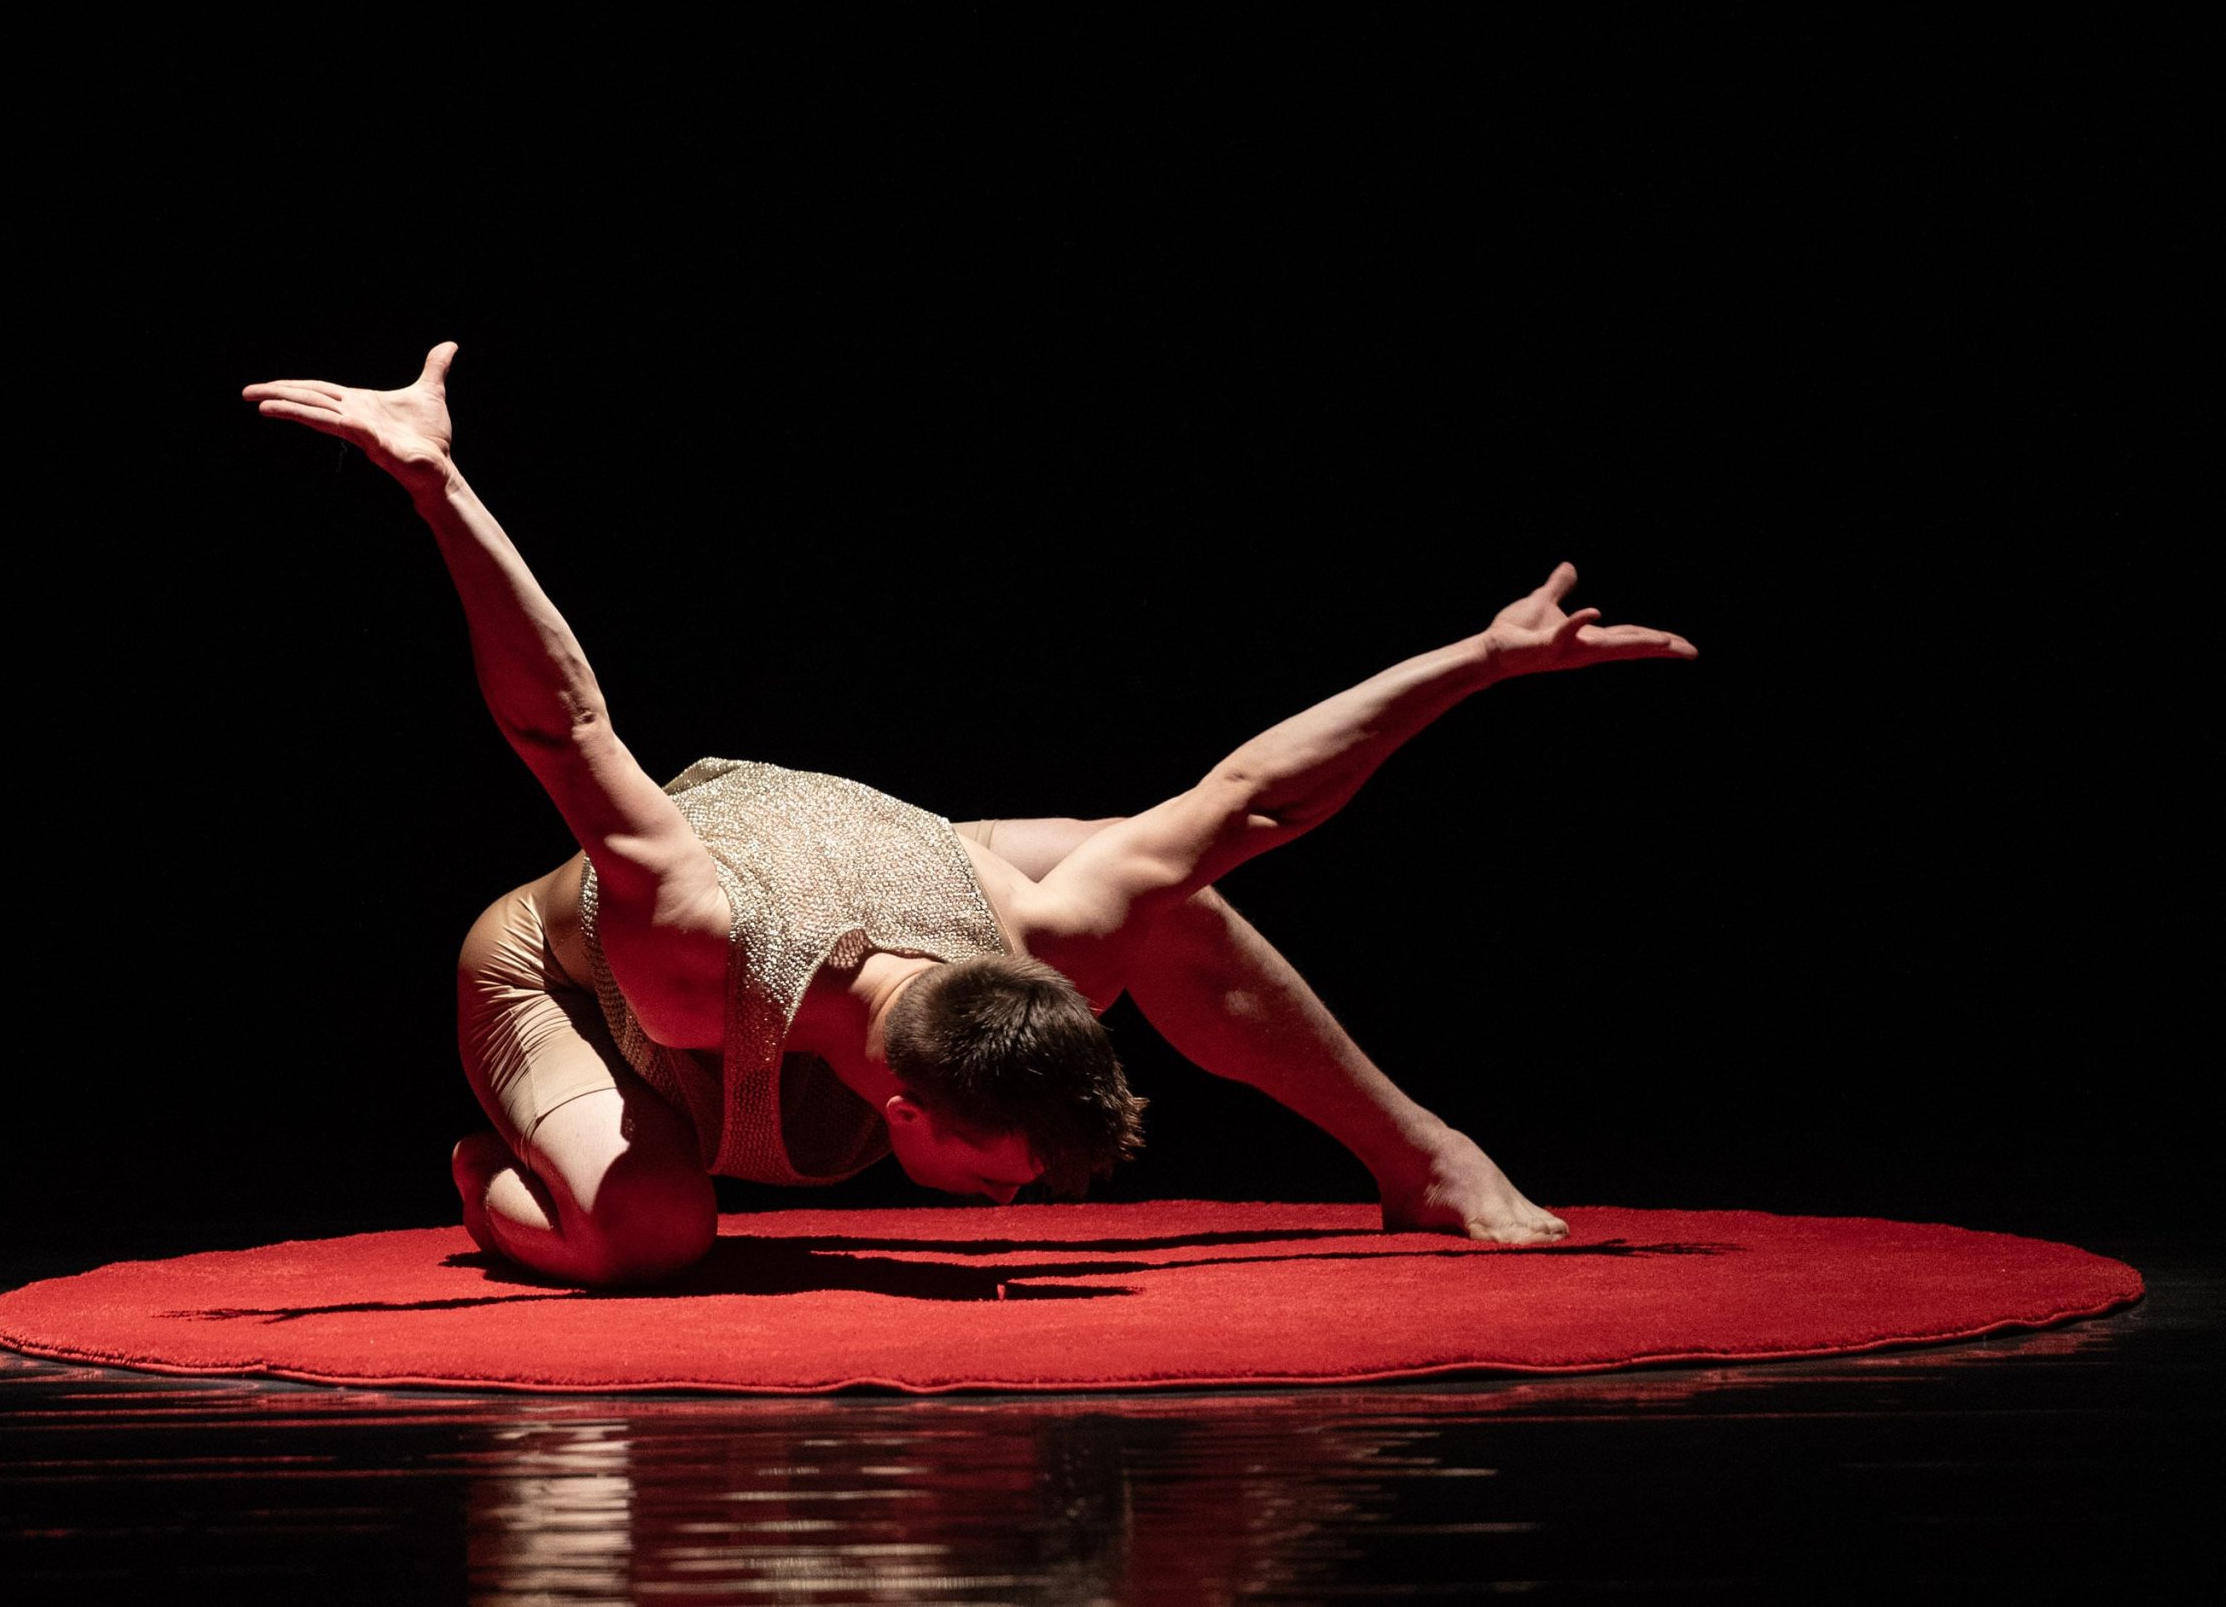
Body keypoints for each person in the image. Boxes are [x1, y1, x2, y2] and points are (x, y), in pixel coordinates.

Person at [242, 343, 1698, 1289]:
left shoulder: (1046, 936)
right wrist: (437, 488)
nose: (1032, 1201)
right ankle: (497, 1171)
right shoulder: (695, 943)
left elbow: (1254, 799)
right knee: (653, 1233)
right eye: (1010, 1173)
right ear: (903, 1113)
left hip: (884, 889)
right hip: (567, 981)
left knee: (1167, 886)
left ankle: (1419, 1156)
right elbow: (561, 726)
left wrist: (1480, 661)